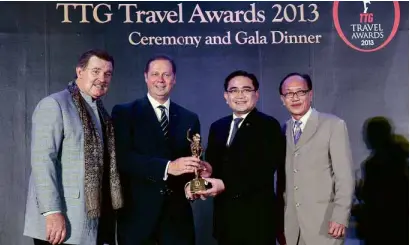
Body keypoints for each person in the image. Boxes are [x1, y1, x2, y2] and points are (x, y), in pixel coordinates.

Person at [23, 49, 123, 245]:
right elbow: (43, 163)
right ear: (79, 72)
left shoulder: (102, 113)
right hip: (62, 223)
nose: (101, 78)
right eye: (95, 71)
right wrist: (52, 212)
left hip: (95, 220)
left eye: (107, 74)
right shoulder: (54, 105)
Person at [112, 55, 204, 245]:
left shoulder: (189, 118)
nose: (160, 80)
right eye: (155, 74)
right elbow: (123, 158)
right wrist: (167, 167)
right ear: (146, 77)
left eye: (166, 75)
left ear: (174, 79)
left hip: (177, 219)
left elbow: (190, 165)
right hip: (138, 217)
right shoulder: (124, 113)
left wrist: (193, 182)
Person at [188, 70, 286, 245]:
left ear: (256, 94)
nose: (240, 95)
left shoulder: (268, 126)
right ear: (226, 96)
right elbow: (214, 166)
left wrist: (225, 184)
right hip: (225, 221)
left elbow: (263, 171)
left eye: (246, 90)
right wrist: (205, 173)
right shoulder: (217, 127)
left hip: (256, 222)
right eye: (233, 90)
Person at [279, 73, 354, 245]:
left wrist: (340, 216)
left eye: (301, 92)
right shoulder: (282, 129)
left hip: (324, 223)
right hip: (291, 226)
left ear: (310, 94)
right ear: (282, 99)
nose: (295, 98)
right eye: (289, 94)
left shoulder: (333, 125)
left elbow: (344, 177)